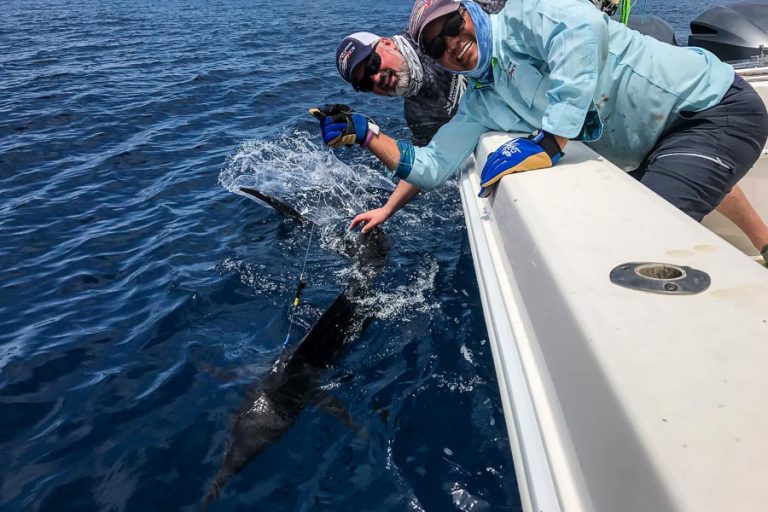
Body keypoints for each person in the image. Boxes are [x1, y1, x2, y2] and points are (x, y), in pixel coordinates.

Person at [315, 0, 768, 261]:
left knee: (645, 240)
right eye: (436, 44)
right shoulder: (480, 101)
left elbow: (582, 26)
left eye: (454, 24)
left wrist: (551, 140)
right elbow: (432, 164)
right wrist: (368, 133)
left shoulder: (524, 16)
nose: (451, 42)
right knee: (680, 183)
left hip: (710, 107)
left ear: (470, 11)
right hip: (653, 143)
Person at [334, 0, 508, 233]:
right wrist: (388, 208)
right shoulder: (418, 114)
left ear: (386, 43)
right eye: (365, 83)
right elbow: (431, 159)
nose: (376, 78)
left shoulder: (428, 24)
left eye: (373, 63)